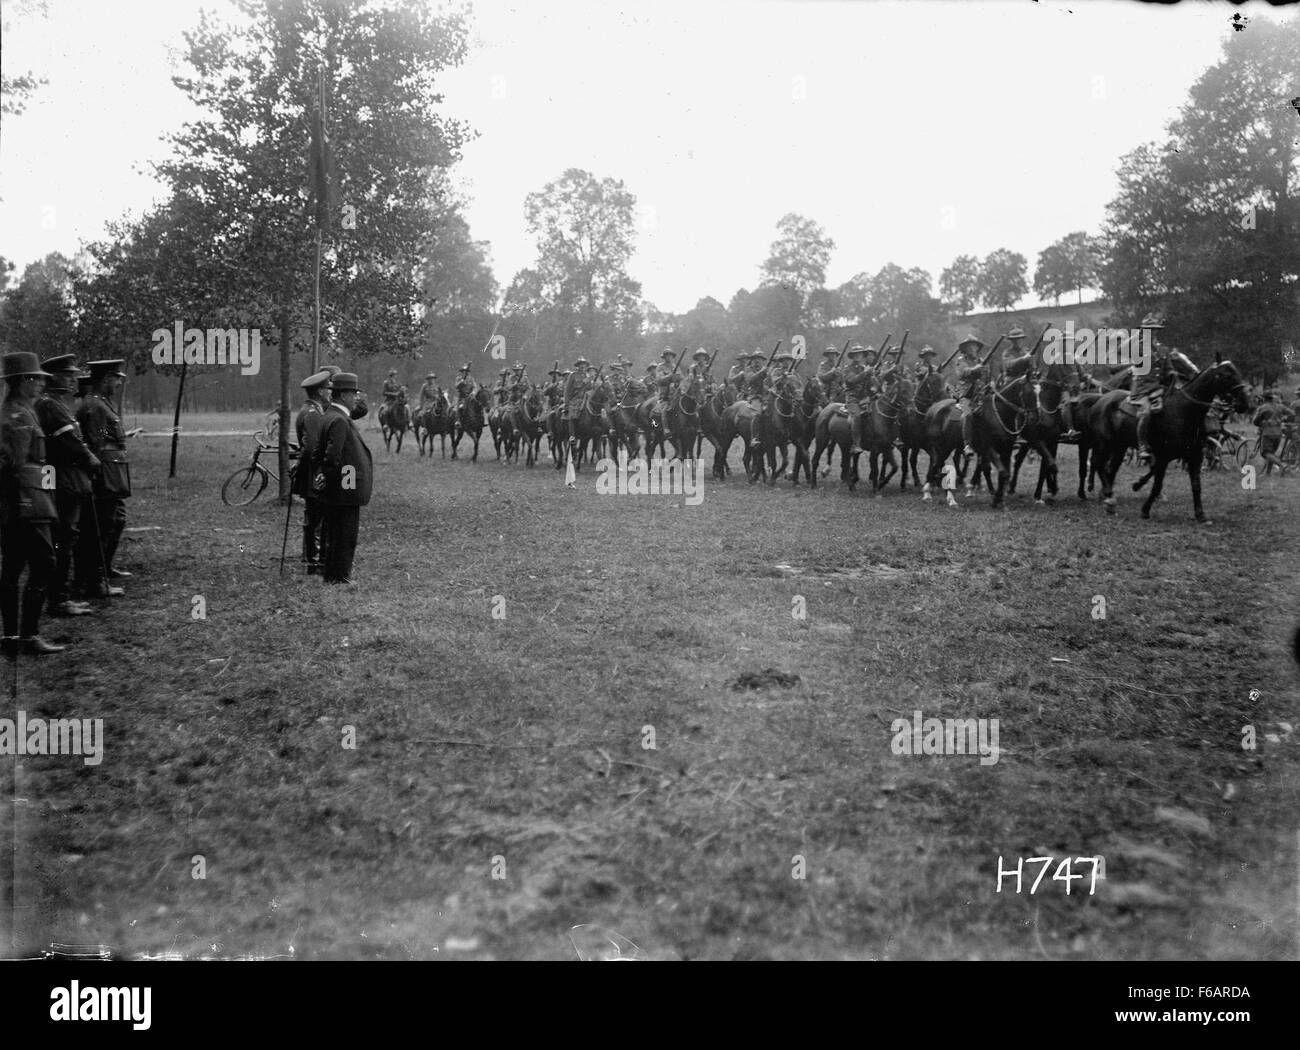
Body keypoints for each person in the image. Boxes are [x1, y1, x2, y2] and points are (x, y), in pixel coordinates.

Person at [1, 352, 64, 654]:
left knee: (12, 568)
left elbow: (41, 463)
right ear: (22, 382)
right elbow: (12, 464)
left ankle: (13, 637)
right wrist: (25, 502)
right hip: (27, 502)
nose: (41, 384)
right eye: (36, 379)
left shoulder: (24, 411)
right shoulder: (17, 417)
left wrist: (50, 498)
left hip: (33, 499)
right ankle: (27, 636)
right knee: (44, 564)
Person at [35, 355, 98, 618]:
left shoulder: (62, 405)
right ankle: (59, 598)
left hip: (69, 477)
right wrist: (90, 455)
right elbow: (73, 440)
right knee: (64, 537)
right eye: (68, 374)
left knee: (67, 537)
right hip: (62, 479)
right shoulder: (53, 406)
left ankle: (62, 594)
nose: (74, 379)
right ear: (53, 378)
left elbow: (97, 433)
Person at [75, 359, 131, 599]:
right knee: (102, 525)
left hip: (112, 472)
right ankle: (96, 580)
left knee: (115, 520)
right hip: (103, 475)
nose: (118, 383)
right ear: (106, 378)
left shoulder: (102, 404)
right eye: (116, 378)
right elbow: (95, 444)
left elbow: (106, 435)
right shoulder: (96, 406)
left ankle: (103, 570)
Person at [315, 373, 373, 585]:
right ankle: (339, 577)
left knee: (336, 531)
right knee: (344, 534)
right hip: (344, 487)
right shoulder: (339, 419)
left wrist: (323, 475)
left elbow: (322, 454)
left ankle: (334, 574)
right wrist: (332, 479)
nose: (355, 398)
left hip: (340, 485)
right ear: (344, 395)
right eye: (353, 394)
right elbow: (332, 456)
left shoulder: (330, 415)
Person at [1131, 314, 1198, 465]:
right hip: (1142, 387)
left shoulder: (1162, 349)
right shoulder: (1137, 347)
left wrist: (1172, 373)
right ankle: (1142, 445)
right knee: (1146, 412)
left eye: (1154, 330)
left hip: (1158, 387)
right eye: (1149, 330)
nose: (1152, 333)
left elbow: (1168, 368)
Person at [295, 369, 333, 574]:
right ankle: (315, 562)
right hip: (313, 473)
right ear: (319, 391)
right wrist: (321, 470)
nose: (330, 392)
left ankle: (313, 560)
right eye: (328, 388)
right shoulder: (312, 414)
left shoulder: (310, 410)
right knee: (316, 520)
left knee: (315, 518)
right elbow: (311, 448)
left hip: (310, 472)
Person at [951, 335, 987, 457]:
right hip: (966, 395)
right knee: (968, 414)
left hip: (981, 394)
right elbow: (962, 373)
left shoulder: (981, 361)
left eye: (974, 346)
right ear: (965, 349)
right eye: (969, 347)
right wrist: (975, 369)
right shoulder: (961, 361)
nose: (972, 349)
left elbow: (986, 375)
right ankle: (967, 445)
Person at [844, 345, 878, 455]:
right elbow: (851, 381)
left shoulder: (866, 368)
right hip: (853, 399)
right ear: (852, 356)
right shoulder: (848, 368)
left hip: (865, 399)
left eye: (860, 354)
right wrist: (865, 373)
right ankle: (856, 444)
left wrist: (873, 389)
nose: (858, 355)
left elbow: (873, 384)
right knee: (857, 416)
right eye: (855, 354)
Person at [1253, 392, 1293, 476]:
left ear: (1264, 399)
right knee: (1271, 453)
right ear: (1272, 398)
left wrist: (1262, 423)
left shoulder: (1263, 408)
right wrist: (1282, 419)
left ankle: (1282, 465)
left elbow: (1255, 421)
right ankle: (1268, 473)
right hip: (1278, 433)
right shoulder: (1280, 406)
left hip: (1268, 433)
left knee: (1265, 453)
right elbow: (1291, 413)